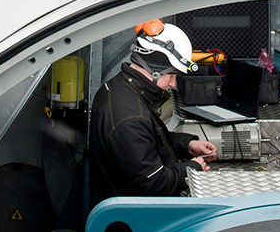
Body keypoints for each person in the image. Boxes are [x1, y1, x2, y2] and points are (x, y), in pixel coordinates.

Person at [89, 20, 218, 204]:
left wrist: (187, 145)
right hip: (133, 221)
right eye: (171, 75)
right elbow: (154, 184)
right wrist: (192, 168)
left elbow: (147, 140)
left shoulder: (119, 87)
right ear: (154, 71)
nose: (173, 84)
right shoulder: (129, 119)